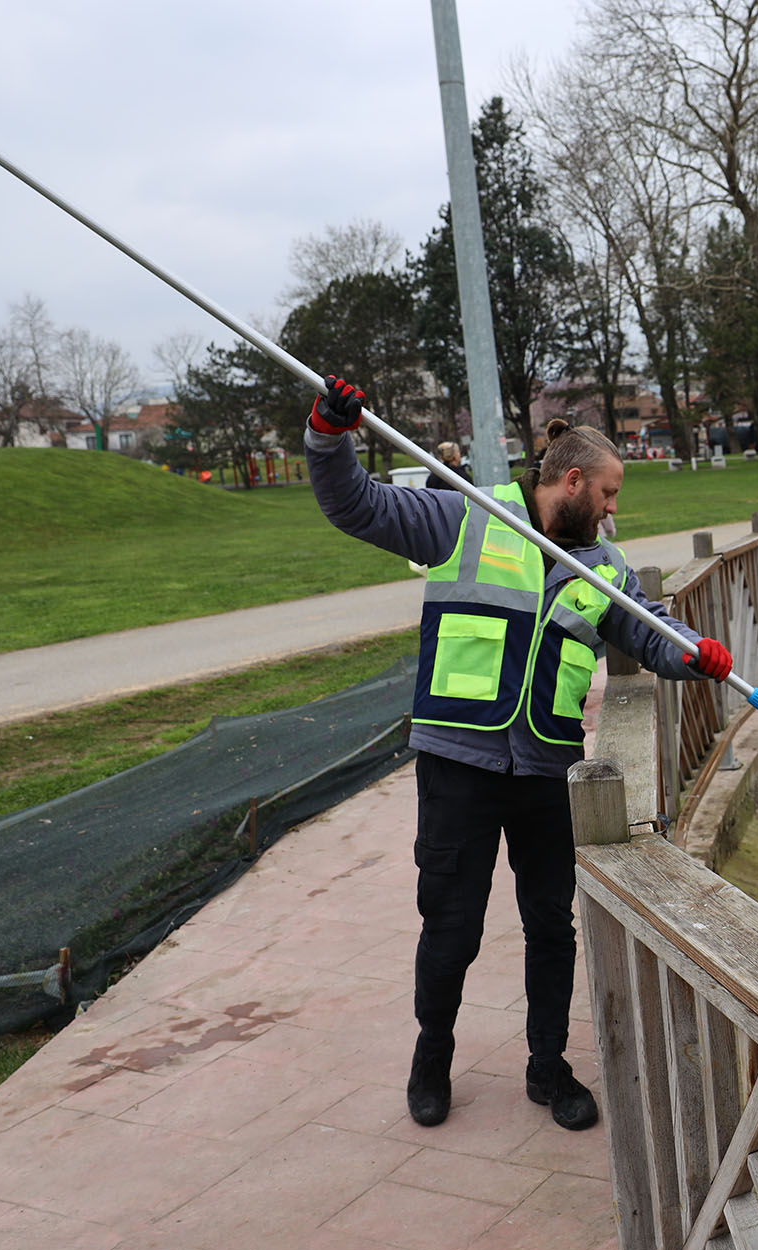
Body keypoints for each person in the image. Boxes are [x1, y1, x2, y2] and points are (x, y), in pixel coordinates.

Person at [304, 375, 733, 1131]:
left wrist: (690, 653)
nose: (612, 508)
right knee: (452, 927)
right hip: (457, 768)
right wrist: (328, 436)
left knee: (549, 927)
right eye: (606, 492)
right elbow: (354, 505)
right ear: (570, 480)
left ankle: (548, 1065)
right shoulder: (465, 517)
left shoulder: (605, 563)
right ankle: (432, 1052)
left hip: (544, 768)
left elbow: (644, 629)